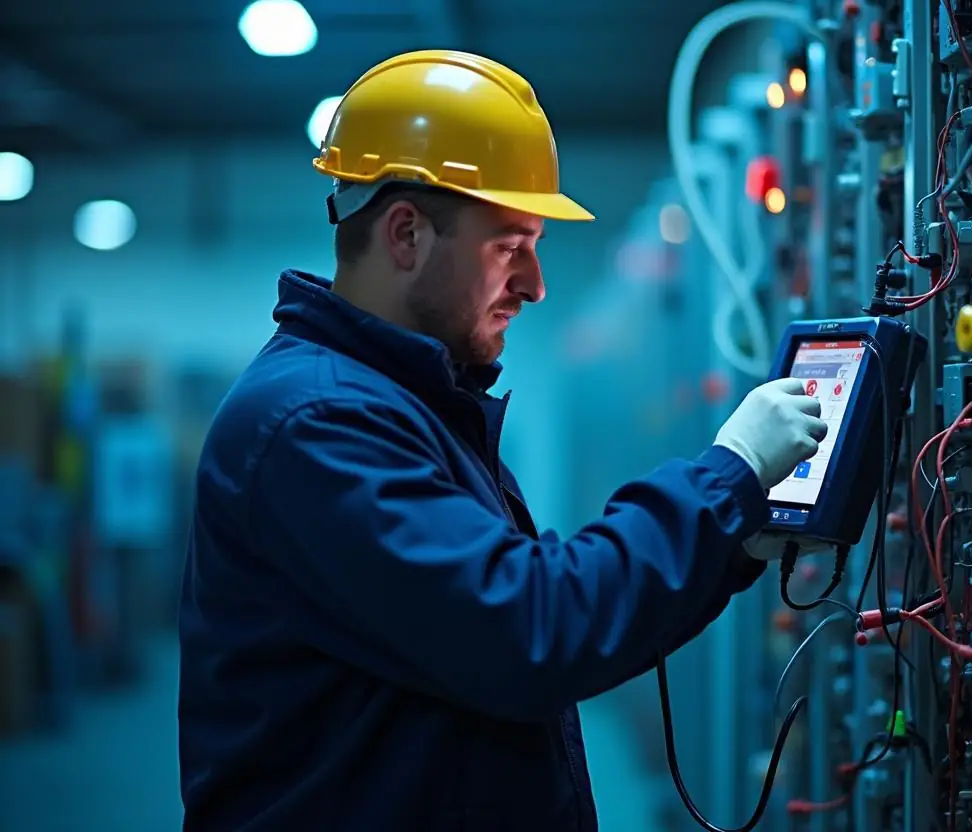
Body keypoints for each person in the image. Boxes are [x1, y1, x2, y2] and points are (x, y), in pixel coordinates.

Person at [178, 49, 828, 831]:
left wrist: (725, 544)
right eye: (509, 245)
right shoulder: (316, 424)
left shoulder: (405, 402)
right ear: (406, 234)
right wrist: (732, 475)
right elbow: (532, 628)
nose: (534, 284)